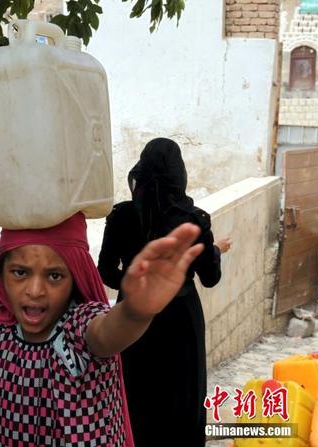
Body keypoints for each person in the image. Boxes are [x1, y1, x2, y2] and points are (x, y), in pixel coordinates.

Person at [0, 68, 206, 447]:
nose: (34, 290)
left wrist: (137, 311)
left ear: (76, 278)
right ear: (1, 275)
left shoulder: (78, 331)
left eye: (54, 276)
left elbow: (109, 332)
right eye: (19, 272)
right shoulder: (2, 321)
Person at [97, 138, 232, 447]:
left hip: (132, 318)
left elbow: (106, 271)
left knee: (135, 396)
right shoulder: (193, 220)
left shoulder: (121, 216)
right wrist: (214, 250)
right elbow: (210, 278)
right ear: (178, 172)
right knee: (182, 398)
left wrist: (135, 288)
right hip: (181, 319)